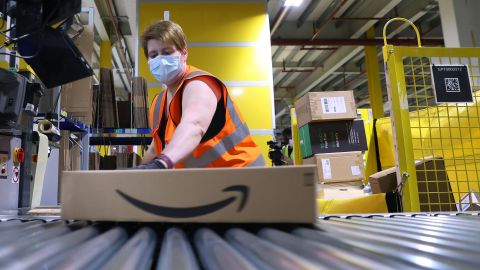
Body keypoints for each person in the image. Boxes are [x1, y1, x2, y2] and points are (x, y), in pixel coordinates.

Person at [133, 20, 265, 169]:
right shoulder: (158, 103)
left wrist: (162, 163)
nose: (160, 59)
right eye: (153, 55)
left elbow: (194, 126)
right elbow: (155, 148)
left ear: (184, 53)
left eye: (167, 52)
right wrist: (137, 174)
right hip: (208, 183)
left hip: (243, 176)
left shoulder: (199, 84)